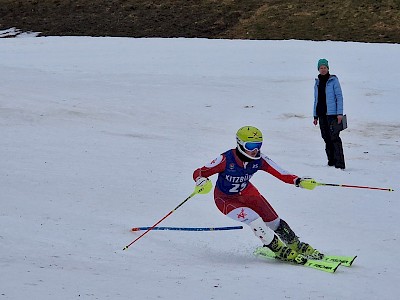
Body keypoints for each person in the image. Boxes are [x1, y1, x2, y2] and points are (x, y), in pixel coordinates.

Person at [193, 126, 323, 264]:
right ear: (240, 144)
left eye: (258, 145)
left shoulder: (260, 159)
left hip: (247, 192)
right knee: (255, 220)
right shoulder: (225, 159)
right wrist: (200, 180)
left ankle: (295, 245)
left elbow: (280, 172)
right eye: (251, 145)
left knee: (274, 221)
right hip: (225, 199)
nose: (255, 150)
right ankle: (278, 249)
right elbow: (199, 172)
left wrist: (298, 181)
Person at [313, 58, 346, 169]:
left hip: (332, 114)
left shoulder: (333, 80)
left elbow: (339, 97)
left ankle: (339, 164)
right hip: (321, 114)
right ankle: (331, 161)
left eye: (325, 68)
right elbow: (316, 100)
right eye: (321, 68)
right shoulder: (317, 82)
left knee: (334, 138)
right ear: (318, 69)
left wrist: (339, 113)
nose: (323, 69)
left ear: (328, 69)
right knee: (326, 138)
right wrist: (315, 115)